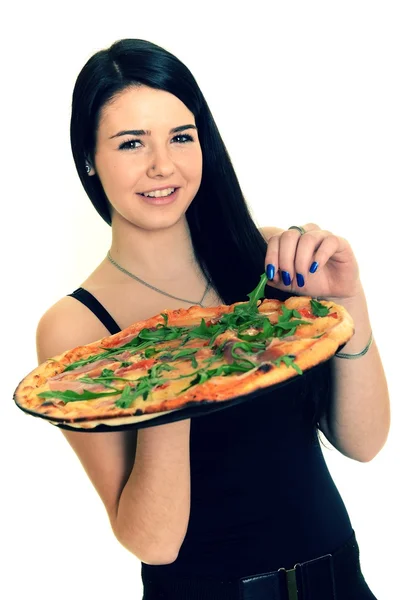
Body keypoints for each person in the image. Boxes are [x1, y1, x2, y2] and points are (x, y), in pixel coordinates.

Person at [35, 38, 389, 600]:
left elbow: (364, 443)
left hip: (340, 581)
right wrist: (172, 375)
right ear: (88, 160)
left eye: (181, 137)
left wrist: (348, 300)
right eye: (131, 143)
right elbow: (154, 543)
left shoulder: (267, 261)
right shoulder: (76, 328)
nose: (163, 165)